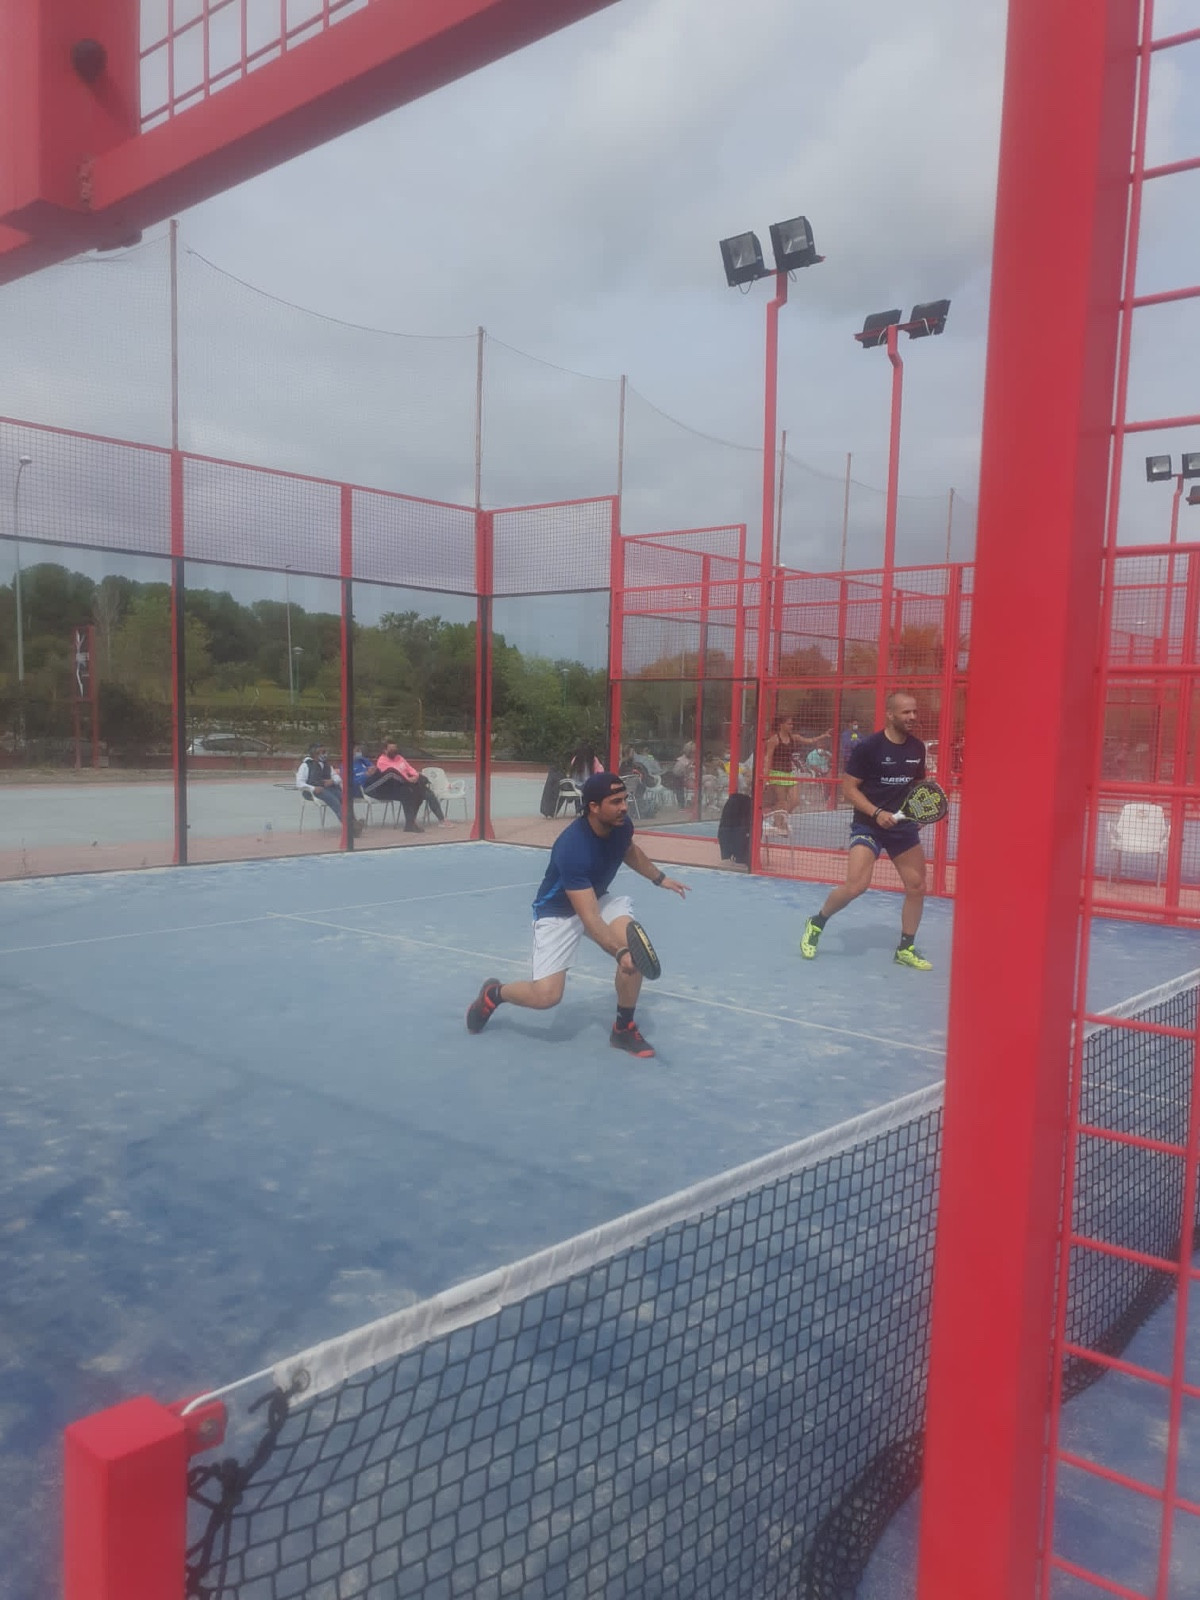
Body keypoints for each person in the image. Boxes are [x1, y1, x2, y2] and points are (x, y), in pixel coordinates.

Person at [465, 772, 689, 1058]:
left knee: (634, 947)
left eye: (625, 799)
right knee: (546, 997)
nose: (624, 807)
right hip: (558, 912)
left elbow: (629, 850)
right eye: (616, 802)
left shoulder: (621, 826)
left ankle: (623, 1029)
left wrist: (659, 878)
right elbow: (590, 918)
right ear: (593, 807)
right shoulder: (572, 847)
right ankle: (494, 994)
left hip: (596, 897)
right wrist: (619, 952)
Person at [799, 690, 932, 970]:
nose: (912, 717)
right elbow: (849, 789)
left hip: (902, 828)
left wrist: (918, 811)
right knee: (857, 885)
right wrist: (876, 813)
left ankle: (905, 949)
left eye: (915, 712)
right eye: (906, 712)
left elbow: (918, 785)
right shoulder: (869, 748)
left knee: (917, 886)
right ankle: (817, 922)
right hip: (868, 825)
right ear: (890, 714)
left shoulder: (917, 748)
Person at [365, 740, 445, 831]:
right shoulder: (382, 761)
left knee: (424, 793)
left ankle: (437, 820)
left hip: (406, 783)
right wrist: (408, 780)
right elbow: (394, 775)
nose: (394, 750)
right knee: (408, 792)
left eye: (395, 748)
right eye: (391, 749)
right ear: (385, 750)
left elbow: (409, 768)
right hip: (390, 787)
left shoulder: (399, 758)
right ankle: (411, 823)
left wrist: (415, 776)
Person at [295, 743, 345, 826]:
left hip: (327, 789)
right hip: (311, 792)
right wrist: (313, 788)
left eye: (325, 752)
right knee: (334, 800)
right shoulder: (306, 765)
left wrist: (332, 781)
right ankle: (347, 824)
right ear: (315, 754)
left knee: (344, 798)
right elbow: (299, 783)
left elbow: (338, 778)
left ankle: (353, 821)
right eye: (323, 752)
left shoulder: (326, 765)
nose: (325, 754)